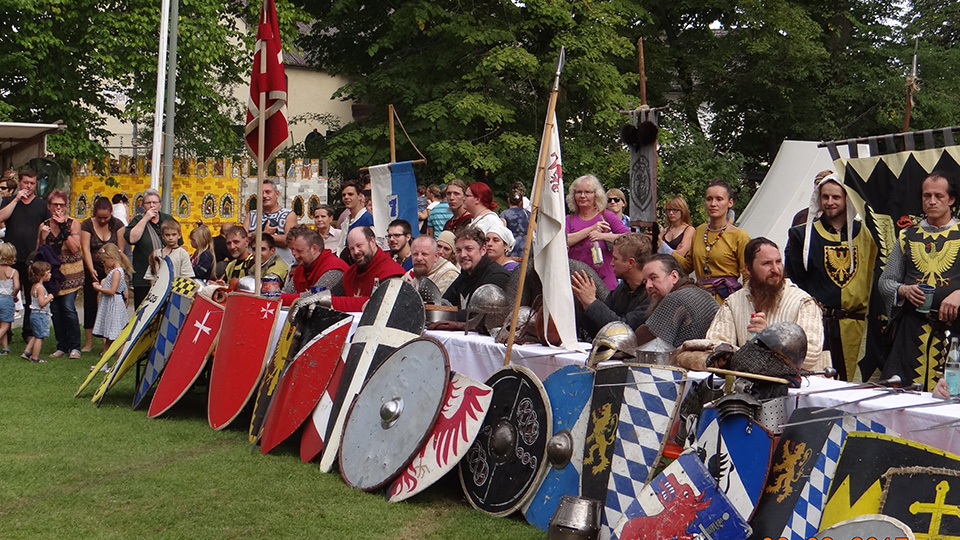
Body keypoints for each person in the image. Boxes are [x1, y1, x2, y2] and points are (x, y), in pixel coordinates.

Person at [785, 171, 877, 381]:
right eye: (825, 197)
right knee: (819, 385)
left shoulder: (867, 235)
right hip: (818, 326)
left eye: (836, 197)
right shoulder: (801, 236)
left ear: (847, 198)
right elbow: (794, 283)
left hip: (858, 327)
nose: (830, 202)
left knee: (855, 388)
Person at [877, 172, 960, 390]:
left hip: (955, 335)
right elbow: (885, 282)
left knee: (951, 403)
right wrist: (903, 290)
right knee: (900, 400)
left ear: (951, 200)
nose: (932, 201)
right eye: (927, 196)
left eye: (939, 196)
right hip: (911, 334)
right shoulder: (907, 236)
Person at [698, 237, 829, 372]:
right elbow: (715, 345)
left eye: (778, 262)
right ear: (748, 269)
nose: (775, 269)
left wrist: (770, 338)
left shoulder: (803, 302)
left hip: (798, 388)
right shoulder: (733, 303)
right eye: (766, 263)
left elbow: (811, 354)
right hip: (748, 385)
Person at [675, 179, 750, 303]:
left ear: (730, 202)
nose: (713, 204)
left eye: (719, 199)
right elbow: (687, 266)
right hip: (700, 300)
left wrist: (740, 304)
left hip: (727, 301)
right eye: (709, 199)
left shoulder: (739, 236)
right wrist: (662, 246)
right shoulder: (699, 231)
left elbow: (748, 277)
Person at [0, 169, 49, 340]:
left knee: (31, 295)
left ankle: (28, 331)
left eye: (32, 183)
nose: (29, 186)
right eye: (26, 182)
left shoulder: (42, 205)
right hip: (10, 258)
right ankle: (6, 330)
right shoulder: (8, 200)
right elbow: (1, 217)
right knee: (7, 295)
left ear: (36, 184)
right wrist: (16, 199)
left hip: (31, 257)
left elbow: (46, 228)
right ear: (19, 182)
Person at [572, 233, 652, 337]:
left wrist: (592, 302)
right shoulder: (621, 290)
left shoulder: (652, 294)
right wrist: (584, 304)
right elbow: (599, 330)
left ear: (631, 263)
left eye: (615, 258)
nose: (611, 263)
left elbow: (624, 330)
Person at [633, 254, 719, 349]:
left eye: (653, 278)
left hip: (689, 360)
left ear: (674, 276)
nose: (648, 286)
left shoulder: (675, 299)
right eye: (645, 281)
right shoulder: (704, 294)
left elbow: (644, 340)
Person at [38, 189, 83, 359]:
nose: (58, 208)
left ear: (66, 206)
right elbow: (39, 251)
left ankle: (75, 347)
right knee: (55, 309)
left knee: (68, 307)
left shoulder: (73, 223)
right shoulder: (44, 225)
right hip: (52, 275)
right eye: (55, 205)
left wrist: (63, 227)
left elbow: (74, 248)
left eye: (61, 205)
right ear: (49, 206)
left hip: (71, 273)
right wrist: (43, 237)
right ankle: (61, 345)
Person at [565, 174, 629, 290]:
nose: (583, 196)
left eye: (588, 192)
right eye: (579, 192)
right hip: (576, 281)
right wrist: (590, 229)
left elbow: (629, 239)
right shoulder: (568, 220)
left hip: (604, 282)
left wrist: (603, 236)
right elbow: (564, 241)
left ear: (596, 195)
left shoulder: (606, 216)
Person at [80, 197, 126, 352]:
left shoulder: (118, 224)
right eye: (99, 217)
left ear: (111, 214)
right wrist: (91, 268)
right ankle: (88, 342)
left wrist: (116, 270)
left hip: (112, 269)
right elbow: (85, 248)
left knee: (110, 304)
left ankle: (108, 340)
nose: (102, 220)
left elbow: (120, 250)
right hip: (93, 266)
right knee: (90, 303)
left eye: (105, 217)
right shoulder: (87, 224)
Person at [331, 226, 405, 312]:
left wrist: (332, 301)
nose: (356, 252)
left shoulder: (391, 272)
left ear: (372, 242)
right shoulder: (349, 274)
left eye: (359, 246)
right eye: (351, 248)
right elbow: (331, 297)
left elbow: (376, 304)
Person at [125, 188, 175, 307]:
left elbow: (177, 243)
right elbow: (132, 239)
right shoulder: (138, 220)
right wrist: (145, 219)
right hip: (143, 277)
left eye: (154, 202)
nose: (152, 205)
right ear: (143, 205)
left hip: (166, 275)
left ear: (160, 204)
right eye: (148, 203)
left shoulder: (167, 219)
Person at [441, 227, 510, 310]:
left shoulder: (497, 277)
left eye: (469, 249)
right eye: (458, 250)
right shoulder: (465, 275)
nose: (463, 255)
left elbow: (485, 318)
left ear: (483, 250)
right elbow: (445, 304)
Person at [280, 228, 348, 305]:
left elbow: (314, 298)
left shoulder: (334, 268)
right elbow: (286, 292)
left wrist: (278, 298)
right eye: (293, 250)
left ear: (314, 249)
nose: (295, 255)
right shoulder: (301, 268)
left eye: (300, 251)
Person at [243, 179, 296, 266]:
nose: (264, 195)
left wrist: (264, 236)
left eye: (268, 192)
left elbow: (289, 240)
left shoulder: (289, 215)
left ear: (277, 194)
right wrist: (266, 234)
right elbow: (243, 240)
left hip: (282, 266)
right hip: (254, 266)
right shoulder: (251, 215)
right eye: (261, 193)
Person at [92, 243, 131, 349]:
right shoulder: (116, 271)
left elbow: (112, 291)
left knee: (115, 336)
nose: (104, 264)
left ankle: (116, 363)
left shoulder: (116, 272)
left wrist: (98, 288)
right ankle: (104, 364)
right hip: (112, 303)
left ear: (112, 258)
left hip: (114, 304)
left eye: (104, 261)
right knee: (110, 338)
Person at [24, 261, 53, 363]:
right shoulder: (40, 288)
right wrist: (49, 297)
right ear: (42, 274)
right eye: (48, 272)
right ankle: (35, 357)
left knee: (36, 334)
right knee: (39, 337)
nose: (50, 275)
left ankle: (27, 352)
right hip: (40, 314)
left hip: (34, 314)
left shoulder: (34, 286)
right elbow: (41, 303)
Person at [0, 243, 20, 355]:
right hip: (7, 299)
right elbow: (17, 286)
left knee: (0, 324)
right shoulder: (13, 272)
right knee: (5, 325)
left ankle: (5, 348)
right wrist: (14, 294)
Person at [501, 182, 530, 257]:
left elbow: (502, 232)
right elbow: (535, 229)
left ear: (508, 200)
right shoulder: (527, 214)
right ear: (521, 201)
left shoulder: (504, 214)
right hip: (527, 245)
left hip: (512, 245)